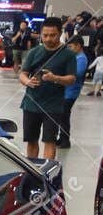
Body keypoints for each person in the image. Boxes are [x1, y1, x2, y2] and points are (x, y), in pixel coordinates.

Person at [19, 16, 77, 161]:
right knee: (31, 140)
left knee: (49, 141)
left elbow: (71, 79)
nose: (48, 39)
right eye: (45, 35)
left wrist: (55, 78)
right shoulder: (34, 52)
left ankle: (46, 176)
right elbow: (23, 74)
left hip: (53, 106)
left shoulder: (68, 55)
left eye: (53, 35)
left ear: (60, 33)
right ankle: (32, 173)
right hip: (31, 103)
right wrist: (28, 82)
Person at [58, 35, 87, 149]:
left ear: (78, 46)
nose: (69, 49)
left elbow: (77, 73)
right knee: (62, 116)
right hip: (67, 91)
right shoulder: (76, 57)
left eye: (70, 47)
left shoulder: (81, 59)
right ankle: (62, 138)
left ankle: (65, 140)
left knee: (64, 116)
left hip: (71, 93)